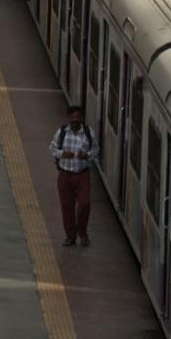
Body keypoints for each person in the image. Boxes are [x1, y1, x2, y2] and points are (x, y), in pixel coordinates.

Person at [49, 105, 100, 247]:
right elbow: (52, 148)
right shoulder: (62, 132)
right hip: (65, 174)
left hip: (82, 174)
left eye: (77, 117)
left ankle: (82, 233)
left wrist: (87, 155)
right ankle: (70, 236)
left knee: (84, 204)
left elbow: (96, 149)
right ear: (68, 118)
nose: (75, 120)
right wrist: (62, 154)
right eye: (72, 118)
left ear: (81, 118)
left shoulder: (89, 133)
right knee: (67, 207)